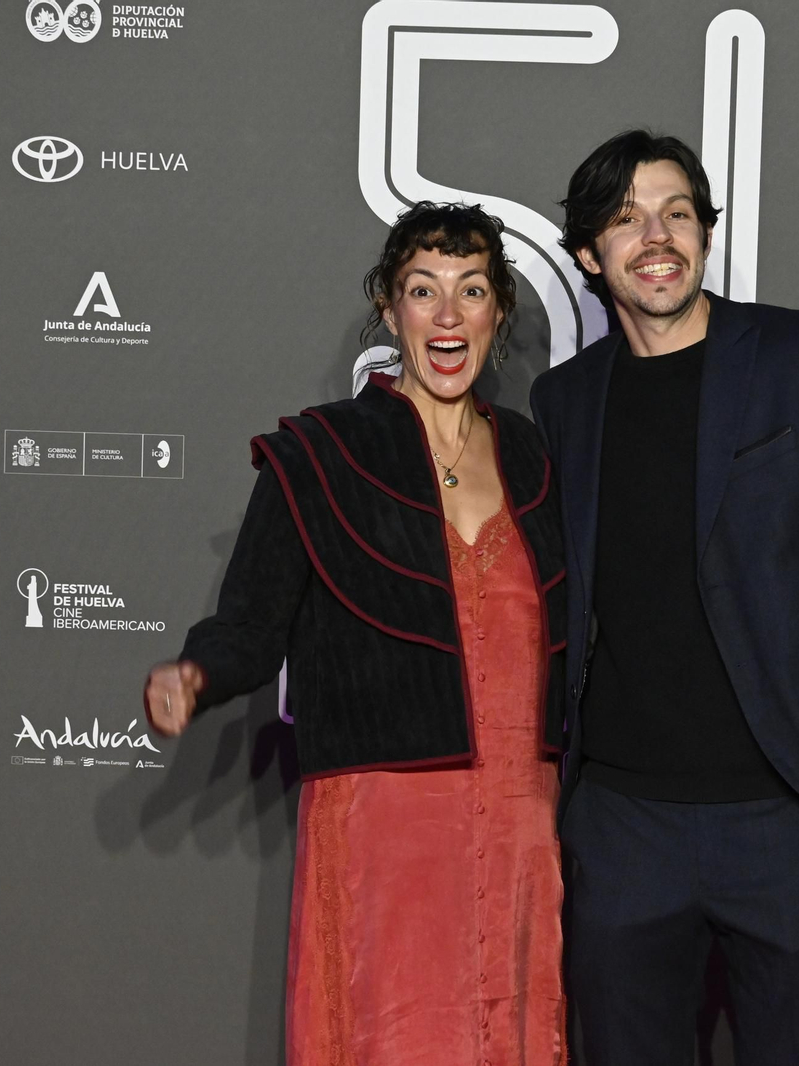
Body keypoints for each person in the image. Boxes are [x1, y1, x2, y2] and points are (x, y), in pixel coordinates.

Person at [529, 131, 799, 1065]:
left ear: (706, 234)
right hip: (622, 823)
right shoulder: (564, 399)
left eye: (678, 213)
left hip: (782, 813)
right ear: (587, 253)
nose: (658, 236)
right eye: (628, 218)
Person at [144, 202, 569, 1066]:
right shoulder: (323, 451)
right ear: (389, 306)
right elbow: (251, 625)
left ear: (499, 315)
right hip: (389, 825)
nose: (448, 315)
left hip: (526, 821)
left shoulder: (535, 458)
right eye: (424, 290)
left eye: (472, 291)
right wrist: (195, 675)